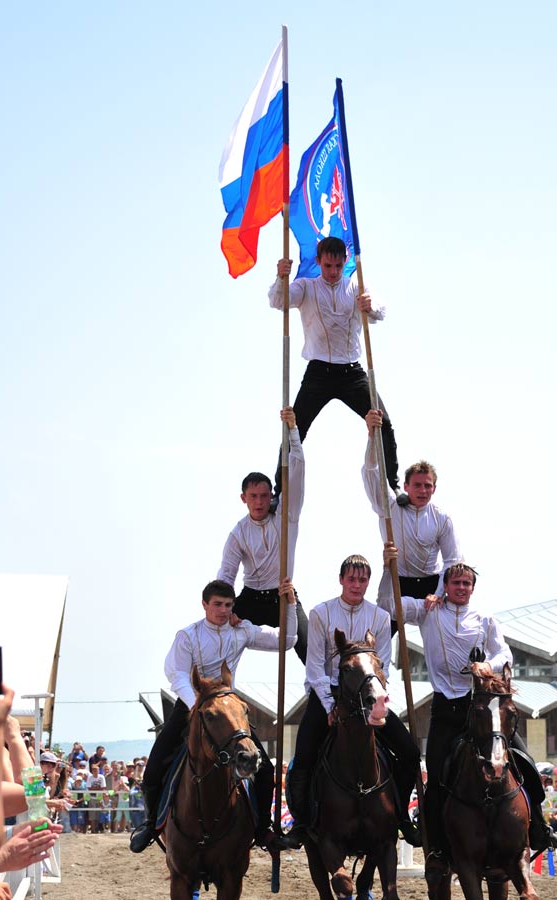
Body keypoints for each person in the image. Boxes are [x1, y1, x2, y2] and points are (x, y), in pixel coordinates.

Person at [380, 551, 557, 865]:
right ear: (445, 584)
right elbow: (390, 604)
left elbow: (506, 656)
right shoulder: (428, 611)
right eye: (456, 582)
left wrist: (486, 664)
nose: (461, 587)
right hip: (446, 708)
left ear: (473, 588)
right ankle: (436, 846)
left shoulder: (485, 619)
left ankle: (540, 828)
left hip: (482, 708)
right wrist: (388, 567)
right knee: (436, 779)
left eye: (467, 583)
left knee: (525, 762)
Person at [130, 578, 298, 854]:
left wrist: (289, 603)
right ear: (205, 604)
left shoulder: (242, 631)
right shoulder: (188, 635)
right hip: (191, 705)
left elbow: (288, 640)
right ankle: (152, 824)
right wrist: (199, 703)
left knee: (265, 768)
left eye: (228, 605)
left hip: (227, 709)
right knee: (153, 769)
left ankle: (263, 829)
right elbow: (176, 674)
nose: (223, 610)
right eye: (217, 604)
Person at [286, 554, 421, 848]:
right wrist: (329, 705)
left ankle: (401, 818)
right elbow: (315, 668)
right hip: (329, 693)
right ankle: (302, 823)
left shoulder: (381, 618)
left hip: (368, 694)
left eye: (362, 580)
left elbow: (381, 665)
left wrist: (379, 699)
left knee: (410, 752)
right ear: (341, 580)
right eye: (351, 579)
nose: (357, 585)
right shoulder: (321, 613)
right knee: (303, 758)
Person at [269, 237, 399, 496]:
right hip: (318, 372)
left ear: (345, 263)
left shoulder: (355, 286)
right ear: (318, 262)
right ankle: (279, 492)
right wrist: (280, 277)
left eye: (338, 266)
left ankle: (393, 486)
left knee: (382, 422)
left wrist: (370, 305)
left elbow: (380, 312)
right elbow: (278, 301)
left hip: (352, 372)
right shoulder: (306, 286)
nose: (333, 272)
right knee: (294, 427)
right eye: (328, 266)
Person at [217, 407, 308, 663]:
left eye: (264, 496)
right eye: (253, 497)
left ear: (272, 497)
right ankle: (193, 701)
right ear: (244, 498)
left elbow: (298, 473)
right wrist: (226, 608)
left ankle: (327, 701)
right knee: (215, 641)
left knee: (313, 651)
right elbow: (226, 575)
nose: (259, 502)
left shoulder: (286, 518)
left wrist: (293, 432)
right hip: (251, 598)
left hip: (283, 594)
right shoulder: (238, 534)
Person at [363, 408, 463, 625]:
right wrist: (372, 436)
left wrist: (439, 594)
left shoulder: (442, 518)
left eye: (428, 486)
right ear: (406, 486)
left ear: (434, 488)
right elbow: (371, 471)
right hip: (398, 581)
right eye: (417, 485)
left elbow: (452, 561)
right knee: (377, 635)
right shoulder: (389, 507)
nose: (423, 490)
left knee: (445, 636)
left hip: (431, 585)